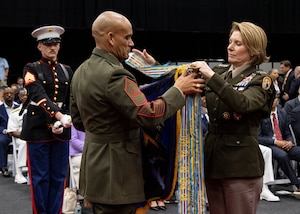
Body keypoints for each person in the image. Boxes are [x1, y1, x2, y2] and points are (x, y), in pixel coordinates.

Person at [70, 11, 204, 214]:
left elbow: (79, 121)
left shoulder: (80, 71)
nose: (131, 43)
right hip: (118, 174)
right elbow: (148, 115)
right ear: (111, 38)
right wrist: (178, 90)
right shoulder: (116, 74)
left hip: (94, 171)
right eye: (127, 37)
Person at [189, 21, 275, 214]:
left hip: (240, 166)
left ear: (253, 50)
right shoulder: (220, 73)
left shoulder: (261, 80)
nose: (230, 47)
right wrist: (154, 67)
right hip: (213, 161)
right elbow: (185, 81)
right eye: (230, 41)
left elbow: (243, 104)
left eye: (238, 43)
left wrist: (211, 76)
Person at [20, 25, 73, 214]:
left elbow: (70, 99)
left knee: (59, 177)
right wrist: (58, 115)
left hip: (61, 129)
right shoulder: (31, 68)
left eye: (56, 44)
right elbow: (37, 94)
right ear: (39, 46)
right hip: (38, 128)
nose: (52, 47)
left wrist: (68, 119)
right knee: (40, 178)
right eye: (47, 44)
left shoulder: (66, 70)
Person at [258, 96, 300, 192]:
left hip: (284, 143)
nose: (273, 101)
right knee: (283, 156)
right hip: (270, 144)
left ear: (278, 100)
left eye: (275, 98)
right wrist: (276, 142)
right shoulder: (261, 115)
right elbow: (258, 138)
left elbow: (287, 133)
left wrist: (290, 141)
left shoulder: (282, 113)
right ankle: (297, 184)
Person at [7, 87, 28, 184]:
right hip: (21, 138)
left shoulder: (37, 110)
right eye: (22, 95)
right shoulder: (15, 113)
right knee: (24, 143)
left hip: (35, 137)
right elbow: (11, 131)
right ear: (19, 97)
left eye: (26, 95)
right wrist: (25, 135)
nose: (25, 97)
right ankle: (20, 172)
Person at [0, 87, 19, 177]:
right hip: (5, 133)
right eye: (7, 94)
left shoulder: (19, 107)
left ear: (14, 95)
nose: (9, 95)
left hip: (18, 132)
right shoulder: (0, 109)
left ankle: (23, 167)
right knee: (2, 141)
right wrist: (4, 130)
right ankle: (3, 167)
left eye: (11, 93)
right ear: (3, 96)